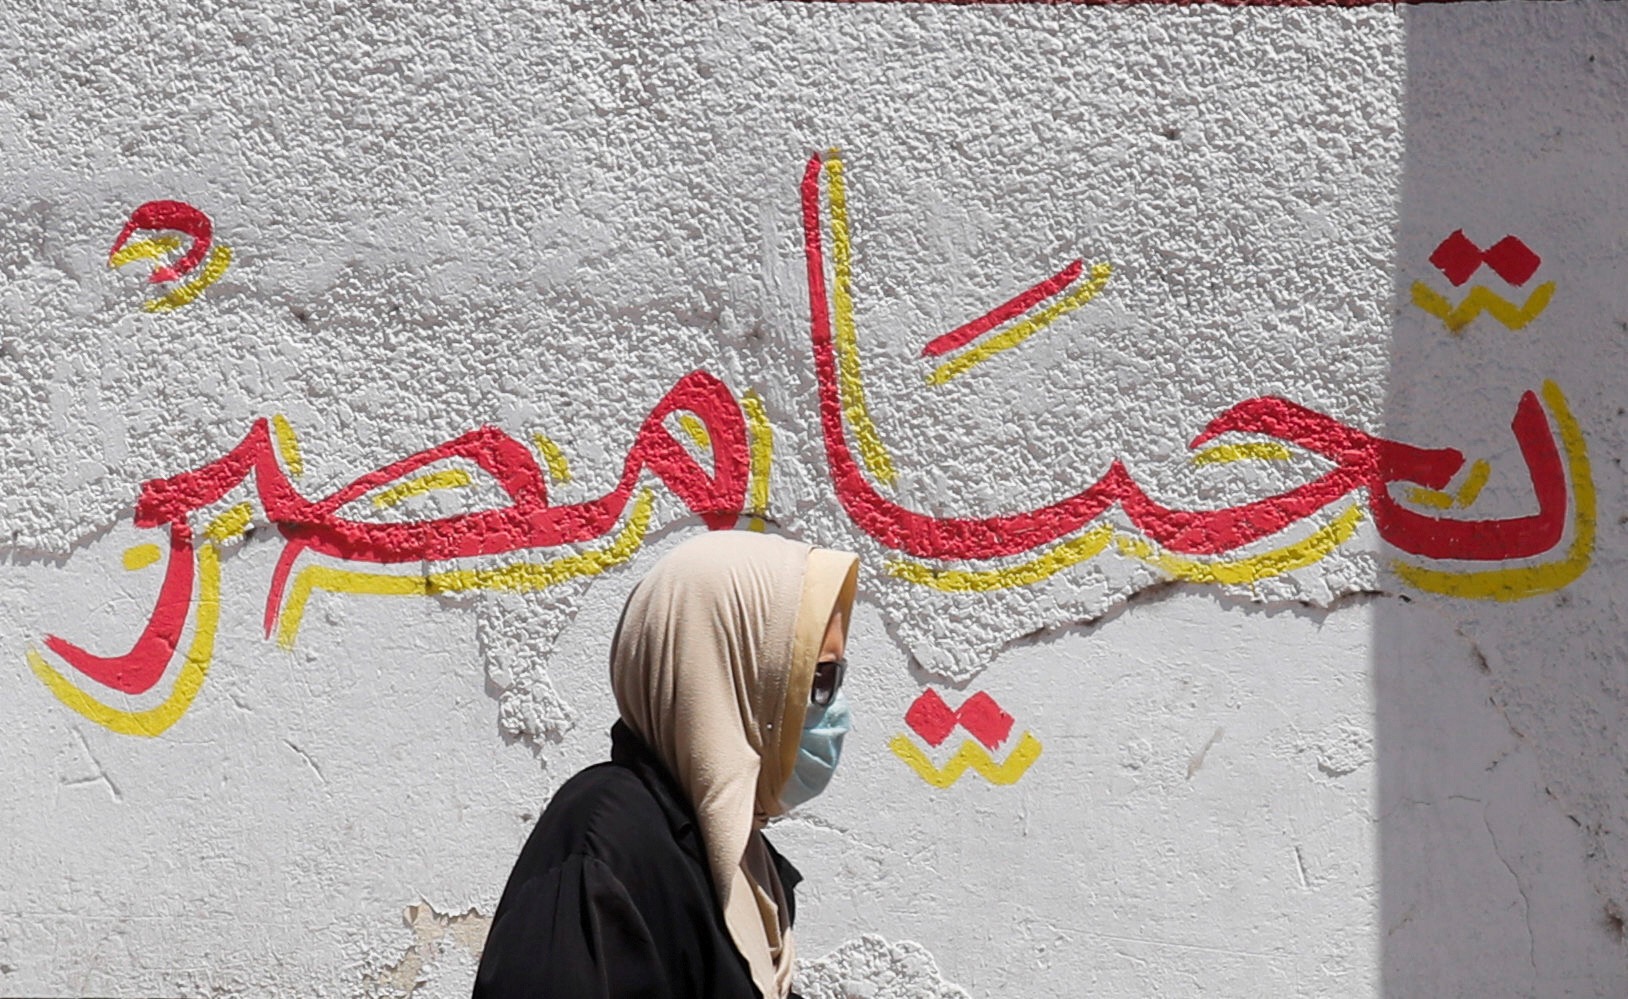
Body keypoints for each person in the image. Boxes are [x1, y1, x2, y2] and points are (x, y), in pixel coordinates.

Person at [473, 531, 860, 999]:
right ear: (733, 671)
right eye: (819, 676)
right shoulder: (606, 841)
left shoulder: (740, 862)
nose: (834, 708)